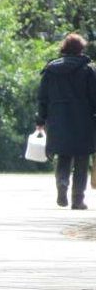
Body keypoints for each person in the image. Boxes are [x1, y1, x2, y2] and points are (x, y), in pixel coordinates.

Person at [36, 33, 96, 210]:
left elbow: (42, 98)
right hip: (83, 121)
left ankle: (62, 184)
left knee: (63, 155)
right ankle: (78, 199)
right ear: (80, 49)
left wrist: (40, 119)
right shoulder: (88, 71)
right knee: (82, 159)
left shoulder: (51, 70)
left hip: (58, 120)